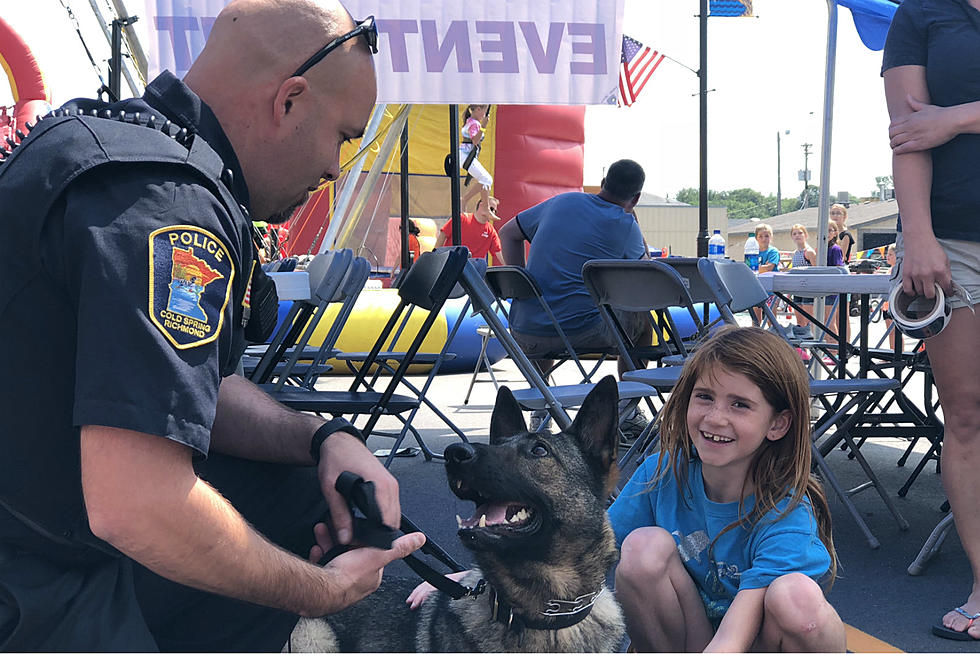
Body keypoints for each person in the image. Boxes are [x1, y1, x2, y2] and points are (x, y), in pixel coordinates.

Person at [0, 1, 426, 650]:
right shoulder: (173, 209)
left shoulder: (102, 140)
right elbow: (137, 501)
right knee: (296, 546)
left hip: (38, 517)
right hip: (34, 573)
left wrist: (320, 438)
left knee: (302, 496)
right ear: (289, 101)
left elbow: (168, 385)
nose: (336, 170)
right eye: (343, 136)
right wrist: (323, 593)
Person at [609, 327, 845, 652]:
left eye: (740, 405)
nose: (716, 417)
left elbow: (732, 640)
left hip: (749, 644)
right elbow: (587, 554)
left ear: (777, 424)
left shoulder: (784, 508)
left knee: (797, 598)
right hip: (696, 639)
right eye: (705, 396)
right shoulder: (661, 472)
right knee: (642, 547)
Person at [883, 0, 980, 640]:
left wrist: (960, 117)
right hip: (951, 240)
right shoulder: (921, 12)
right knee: (967, 414)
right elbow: (908, 132)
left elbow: (935, 123)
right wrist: (917, 234)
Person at [497, 158, 652, 436]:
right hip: (583, 331)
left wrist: (523, 284)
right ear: (636, 198)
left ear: (603, 183)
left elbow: (507, 232)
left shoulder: (562, 202)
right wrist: (634, 224)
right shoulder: (625, 224)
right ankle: (628, 411)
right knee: (642, 321)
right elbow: (645, 278)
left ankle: (542, 409)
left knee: (546, 307)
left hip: (524, 329)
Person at [434, 196, 505, 265]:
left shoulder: (491, 231)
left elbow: (498, 252)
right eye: (491, 209)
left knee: (481, 264)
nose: (493, 212)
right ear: (481, 205)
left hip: (473, 269)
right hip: (453, 263)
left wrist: (511, 268)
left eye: (495, 211)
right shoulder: (462, 218)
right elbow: (443, 235)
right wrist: (435, 256)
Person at [458, 103, 493, 211]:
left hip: (464, 155)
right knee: (486, 179)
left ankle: (469, 201)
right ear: (478, 109)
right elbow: (475, 141)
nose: (484, 115)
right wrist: (483, 127)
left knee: (485, 179)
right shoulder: (475, 124)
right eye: (484, 111)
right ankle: (469, 201)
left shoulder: (469, 121)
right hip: (466, 156)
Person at [789, 224, 818, 339]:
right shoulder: (794, 253)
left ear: (806, 235)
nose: (797, 236)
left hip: (808, 288)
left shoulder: (809, 252)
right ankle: (802, 348)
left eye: (800, 233)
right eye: (794, 233)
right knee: (799, 320)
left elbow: (816, 270)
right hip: (797, 288)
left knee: (808, 320)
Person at [751, 223, 781, 325]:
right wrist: (761, 268)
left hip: (771, 290)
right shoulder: (753, 251)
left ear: (771, 237)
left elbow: (769, 268)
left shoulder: (773, 252)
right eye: (761, 236)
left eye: (767, 236)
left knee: (770, 319)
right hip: (756, 288)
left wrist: (757, 268)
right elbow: (749, 268)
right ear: (756, 238)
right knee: (756, 320)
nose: (764, 239)